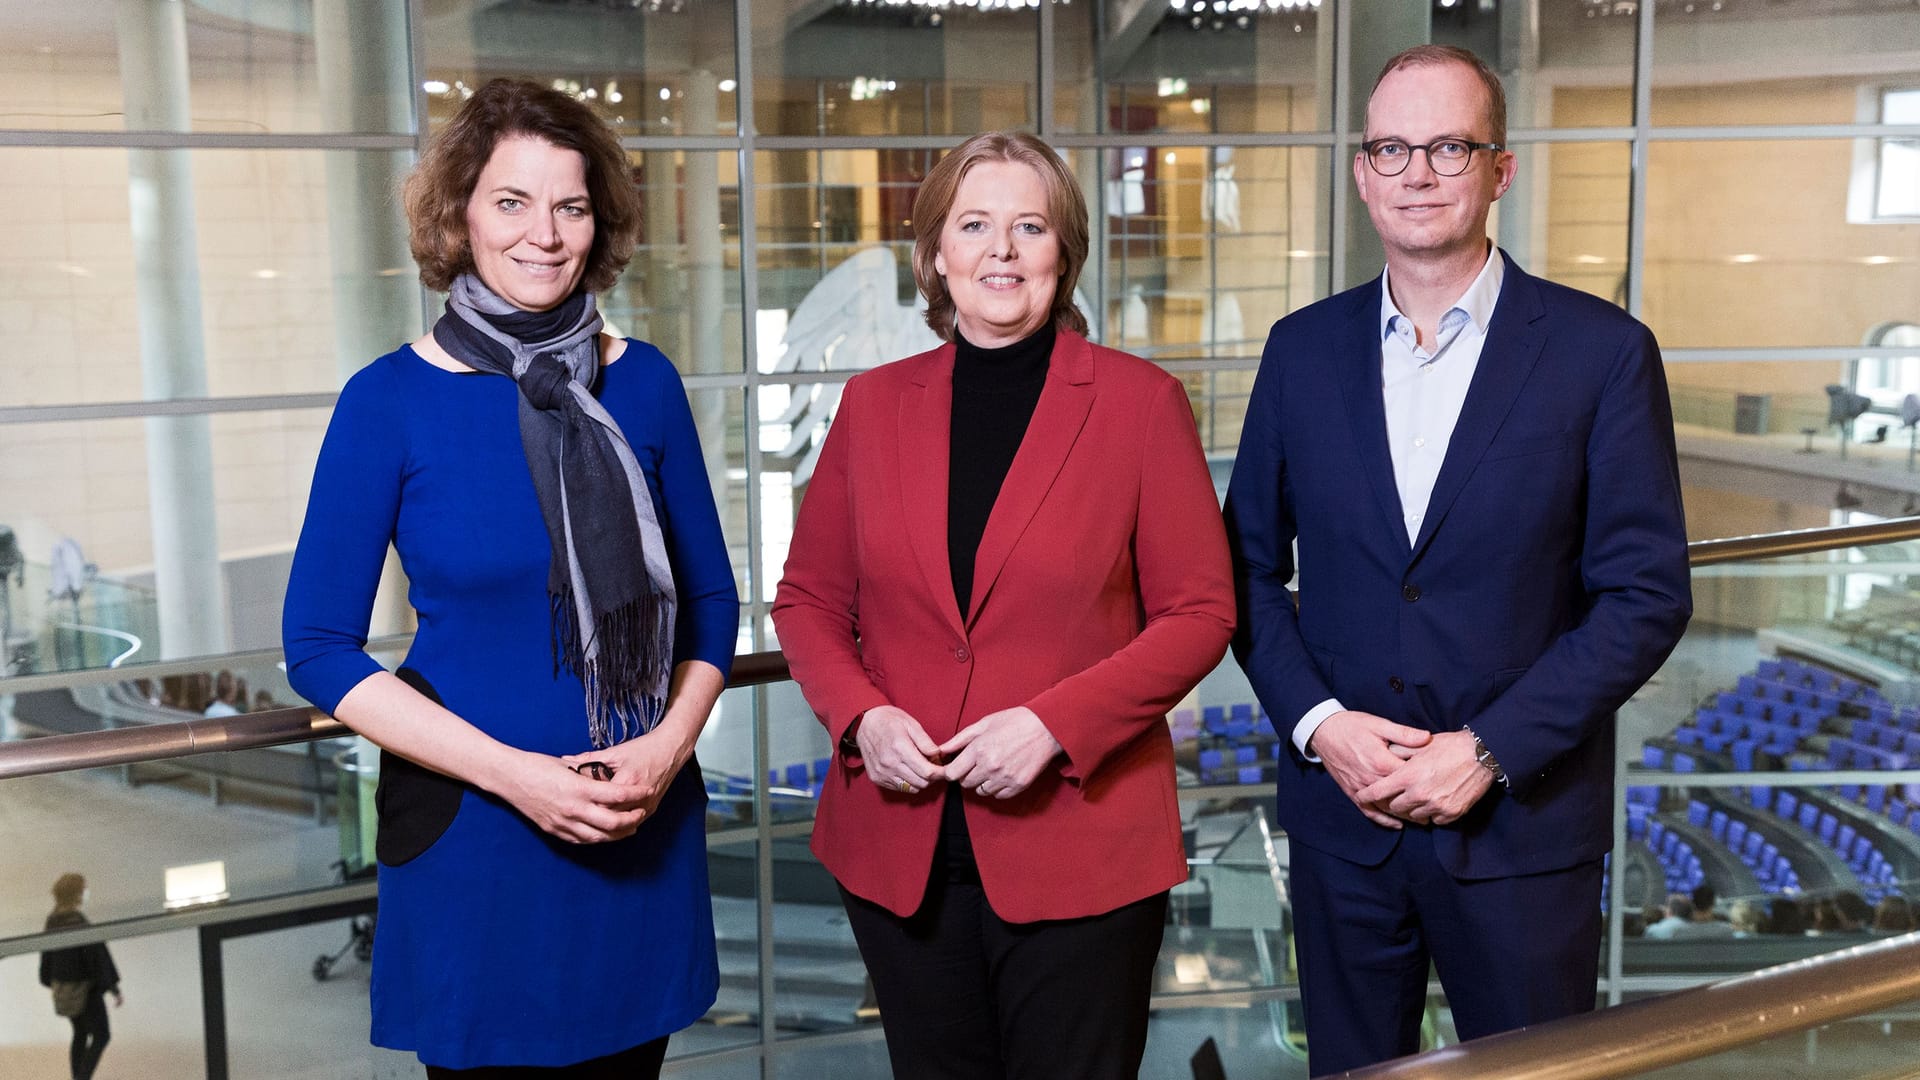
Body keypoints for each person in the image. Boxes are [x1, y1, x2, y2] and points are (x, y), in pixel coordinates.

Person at [1224, 44, 1691, 1074]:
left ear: (1500, 168)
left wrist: (1486, 748)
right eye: (1393, 148)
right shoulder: (1300, 351)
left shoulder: (1601, 352)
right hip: (1345, 825)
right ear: (1361, 172)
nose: (1419, 173)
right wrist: (1320, 726)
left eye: (1449, 146)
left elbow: (1645, 595)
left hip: (1523, 832)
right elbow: (1243, 569)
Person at [282, 78, 737, 1077]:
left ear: (599, 223)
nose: (545, 233)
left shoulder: (645, 383)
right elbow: (315, 646)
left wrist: (664, 750)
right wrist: (516, 780)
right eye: (511, 201)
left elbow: (711, 604)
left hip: (637, 830)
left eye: (571, 205)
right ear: (460, 218)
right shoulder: (386, 402)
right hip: (475, 850)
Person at [772, 130, 1235, 1079]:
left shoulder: (1140, 405)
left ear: (1063, 252)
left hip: (1080, 843)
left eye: (1031, 226)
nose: (1002, 250)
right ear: (935, 252)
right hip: (902, 846)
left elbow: (1200, 612)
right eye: (974, 224)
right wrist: (862, 717)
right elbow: (810, 599)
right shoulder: (872, 405)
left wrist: (1054, 726)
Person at [38, 873, 121, 1080]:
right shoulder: (78, 921)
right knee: (102, 1035)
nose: (87, 892)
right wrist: (112, 987)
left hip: (64, 991)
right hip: (86, 991)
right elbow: (96, 956)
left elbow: (46, 958)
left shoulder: (52, 920)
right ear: (76, 893)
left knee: (80, 1033)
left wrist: (53, 982)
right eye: (84, 889)